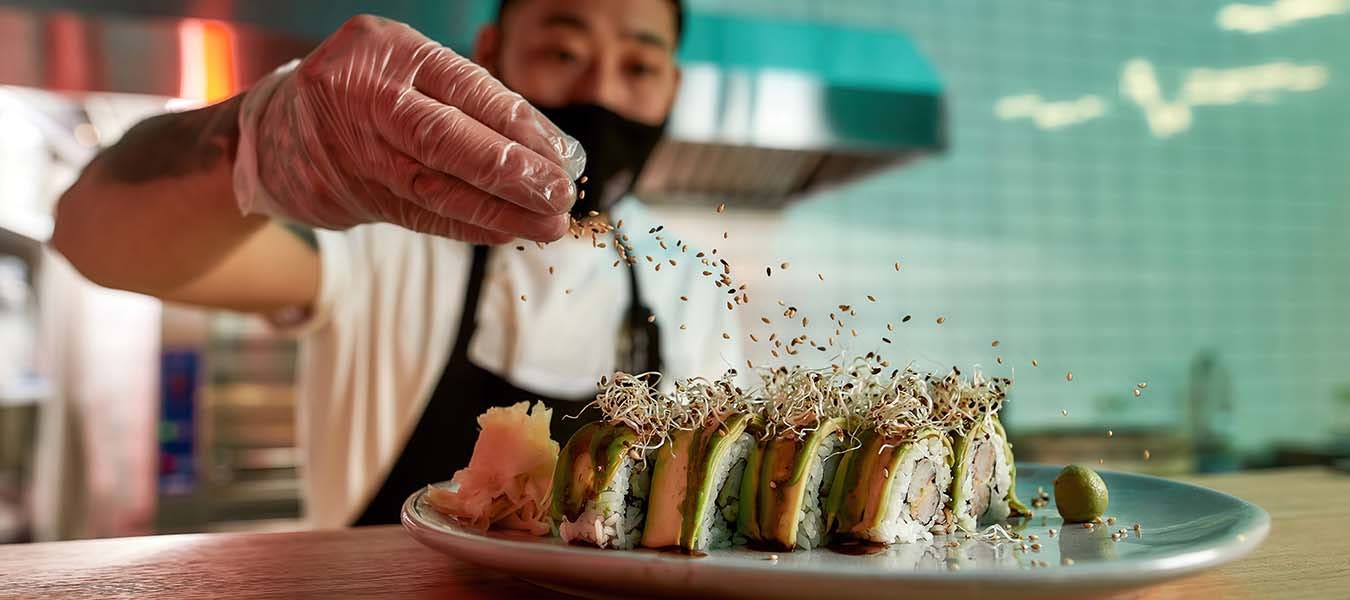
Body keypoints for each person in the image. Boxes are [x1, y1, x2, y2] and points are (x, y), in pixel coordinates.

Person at [51, 0, 743, 528]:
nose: (603, 92)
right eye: (563, 52)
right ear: (491, 53)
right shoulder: (385, 227)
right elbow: (95, 241)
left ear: (673, 87)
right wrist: (249, 141)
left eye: (640, 67)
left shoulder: (692, 283)